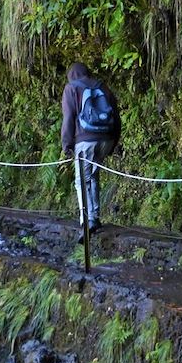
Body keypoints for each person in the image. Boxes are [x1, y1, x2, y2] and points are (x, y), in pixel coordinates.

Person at [61, 62, 120, 236]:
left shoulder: (71, 88)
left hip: (85, 140)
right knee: (93, 176)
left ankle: (86, 221)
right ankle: (95, 217)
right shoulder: (102, 87)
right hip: (106, 138)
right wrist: (113, 142)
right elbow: (116, 116)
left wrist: (66, 144)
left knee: (82, 180)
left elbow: (69, 118)